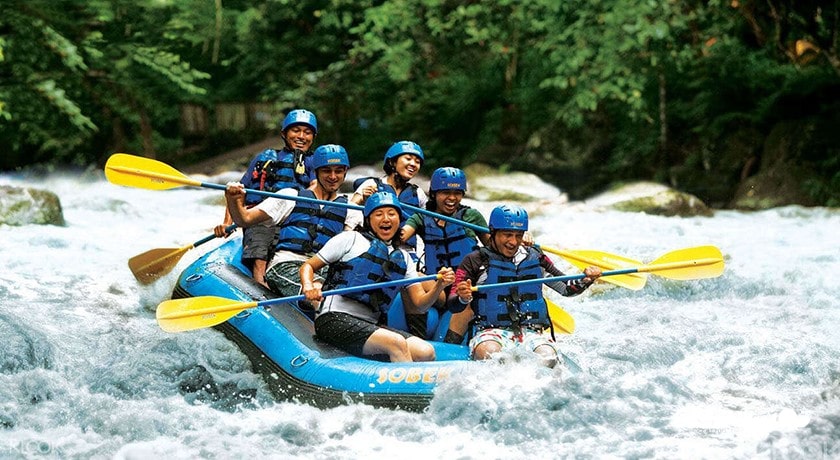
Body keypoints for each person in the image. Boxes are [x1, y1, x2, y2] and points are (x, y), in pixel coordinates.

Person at [300, 191, 455, 362]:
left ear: (399, 219)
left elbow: (420, 305)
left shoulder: (403, 258)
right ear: (368, 219)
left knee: (425, 351)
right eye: (379, 214)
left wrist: (439, 286)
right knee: (396, 343)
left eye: (391, 214)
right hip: (333, 319)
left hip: (370, 324)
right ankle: (407, 379)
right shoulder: (350, 239)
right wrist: (308, 286)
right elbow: (308, 266)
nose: (386, 219)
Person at [446, 204, 602, 366]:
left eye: (518, 235)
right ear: (493, 232)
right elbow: (453, 304)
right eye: (507, 235)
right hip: (490, 332)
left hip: (531, 332)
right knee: (490, 353)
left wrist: (586, 279)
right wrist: (463, 298)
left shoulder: (536, 257)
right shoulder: (474, 260)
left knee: (548, 358)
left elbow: (566, 288)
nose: (513, 242)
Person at [224, 144, 358, 303]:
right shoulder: (290, 197)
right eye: (326, 171)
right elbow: (244, 219)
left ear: (345, 172)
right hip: (287, 265)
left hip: (324, 271)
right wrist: (233, 199)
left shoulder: (352, 210)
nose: (333, 176)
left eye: (339, 171)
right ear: (316, 172)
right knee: (323, 296)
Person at [215, 109, 319, 287]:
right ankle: (260, 284)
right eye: (296, 131)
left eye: (307, 132)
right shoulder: (265, 158)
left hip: (294, 218)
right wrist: (226, 223)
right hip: (262, 216)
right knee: (261, 235)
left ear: (313, 137)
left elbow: (317, 188)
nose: (301, 136)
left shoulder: (314, 162)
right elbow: (238, 193)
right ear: (284, 134)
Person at [399, 167, 490, 339]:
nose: (452, 198)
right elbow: (401, 236)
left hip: (466, 286)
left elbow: (495, 247)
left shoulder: (471, 216)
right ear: (434, 194)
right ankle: (418, 338)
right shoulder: (422, 217)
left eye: (457, 193)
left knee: (470, 297)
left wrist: (519, 239)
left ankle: (450, 343)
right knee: (409, 278)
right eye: (446, 193)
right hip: (438, 287)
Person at [349, 140, 428, 251]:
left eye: (417, 162)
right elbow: (350, 210)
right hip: (372, 247)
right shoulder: (371, 184)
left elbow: (428, 221)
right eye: (408, 159)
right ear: (392, 162)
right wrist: (364, 200)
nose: (413, 164)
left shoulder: (418, 193)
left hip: (406, 250)